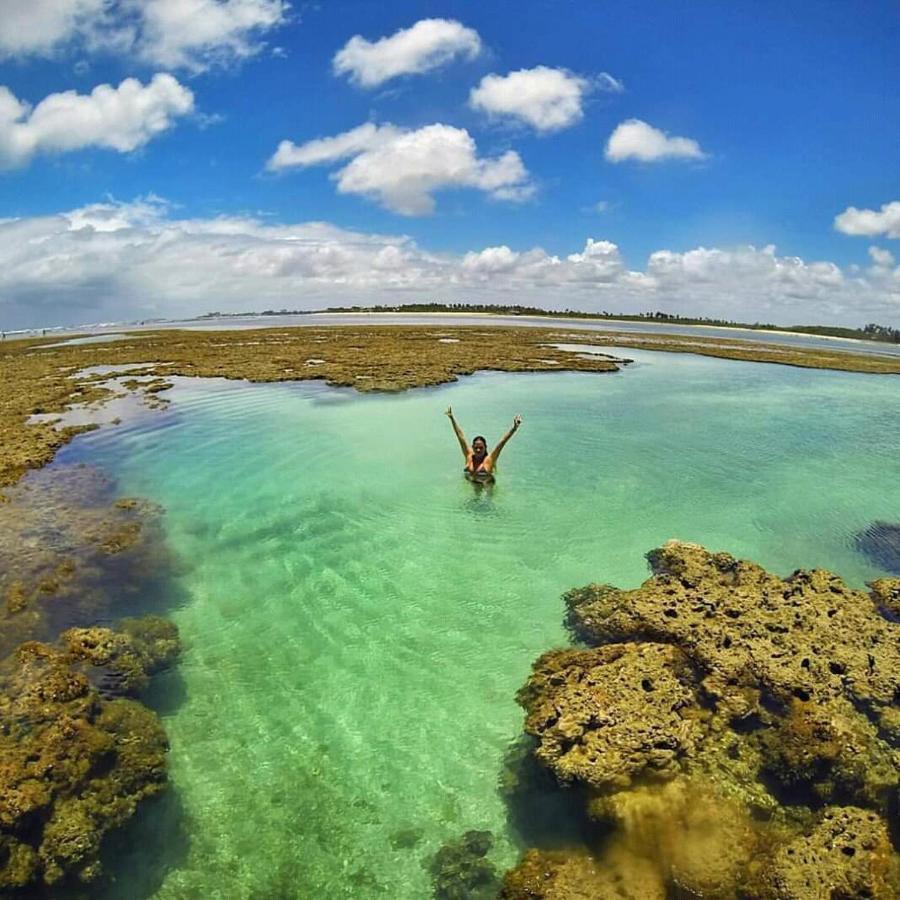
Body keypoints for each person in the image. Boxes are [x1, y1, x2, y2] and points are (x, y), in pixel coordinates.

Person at [445, 406, 522, 483]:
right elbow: (460, 437)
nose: (478, 450)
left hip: (487, 487)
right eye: (476, 447)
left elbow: (502, 442)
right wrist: (452, 418)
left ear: (485, 447)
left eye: (481, 447)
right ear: (472, 447)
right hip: (471, 485)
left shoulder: (489, 459)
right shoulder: (469, 456)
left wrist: (514, 428)